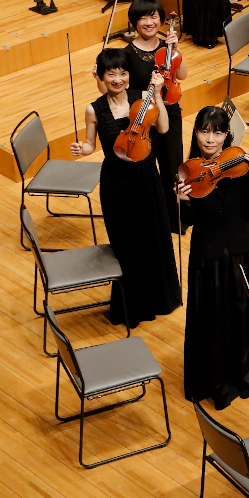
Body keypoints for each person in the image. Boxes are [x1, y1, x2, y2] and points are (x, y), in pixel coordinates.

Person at [70, 47, 181, 328]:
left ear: (129, 75)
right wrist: (82, 150)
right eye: (111, 74)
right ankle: (132, 306)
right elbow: (91, 145)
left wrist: (157, 95)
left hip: (146, 177)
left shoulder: (142, 98)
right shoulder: (93, 109)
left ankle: (161, 299)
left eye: (122, 73)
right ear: (102, 77)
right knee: (127, 245)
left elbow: (164, 129)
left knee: (155, 237)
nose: (117, 79)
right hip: (116, 185)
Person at [175, 105, 249, 407]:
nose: (210, 139)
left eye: (217, 132)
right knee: (215, 322)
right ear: (196, 133)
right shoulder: (188, 171)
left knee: (247, 314)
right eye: (204, 131)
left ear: (226, 135)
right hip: (211, 257)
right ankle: (218, 380)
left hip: (243, 250)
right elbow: (182, 225)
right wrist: (183, 202)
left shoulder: (238, 165)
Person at [109, 0, 188, 222]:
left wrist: (176, 50)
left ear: (162, 20)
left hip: (169, 113)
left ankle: (175, 217)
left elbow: (181, 76)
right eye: (142, 17)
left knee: (173, 164)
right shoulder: (127, 54)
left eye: (153, 16)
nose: (149, 22)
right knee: (145, 169)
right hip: (142, 118)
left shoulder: (168, 47)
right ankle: (151, 217)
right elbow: (117, 87)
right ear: (134, 23)